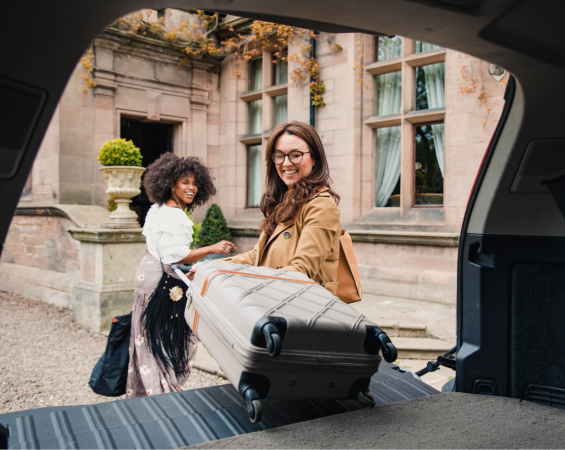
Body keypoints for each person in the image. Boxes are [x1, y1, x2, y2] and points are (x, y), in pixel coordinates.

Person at [126, 153, 236, 398]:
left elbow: (154, 248)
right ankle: (160, 392)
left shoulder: (157, 209)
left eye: (195, 183)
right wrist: (212, 248)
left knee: (148, 335)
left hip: (146, 271)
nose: (192, 188)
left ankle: (144, 390)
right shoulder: (175, 217)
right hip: (160, 279)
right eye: (185, 182)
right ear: (170, 184)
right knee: (168, 337)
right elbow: (174, 257)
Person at [190, 121, 341, 294]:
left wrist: (244, 280)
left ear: (314, 157)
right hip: (274, 301)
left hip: (301, 309)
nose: (286, 163)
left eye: (296, 155)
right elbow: (256, 256)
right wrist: (211, 267)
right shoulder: (281, 202)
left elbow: (302, 271)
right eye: (279, 155)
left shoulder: (320, 205)